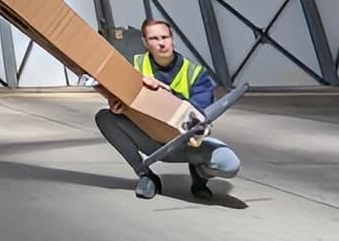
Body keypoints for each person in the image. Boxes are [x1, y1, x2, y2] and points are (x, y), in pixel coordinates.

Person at [95, 19, 240, 200]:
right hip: (150, 139)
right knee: (105, 117)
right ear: (145, 43)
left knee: (229, 164)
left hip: (186, 143)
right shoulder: (134, 67)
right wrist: (117, 105)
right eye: (154, 38)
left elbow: (199, 114)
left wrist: (167, 94)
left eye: (165, 37)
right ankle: (146, 175)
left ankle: (200, 175)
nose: (161, 43)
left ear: (173, 39)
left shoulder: (195, 73)